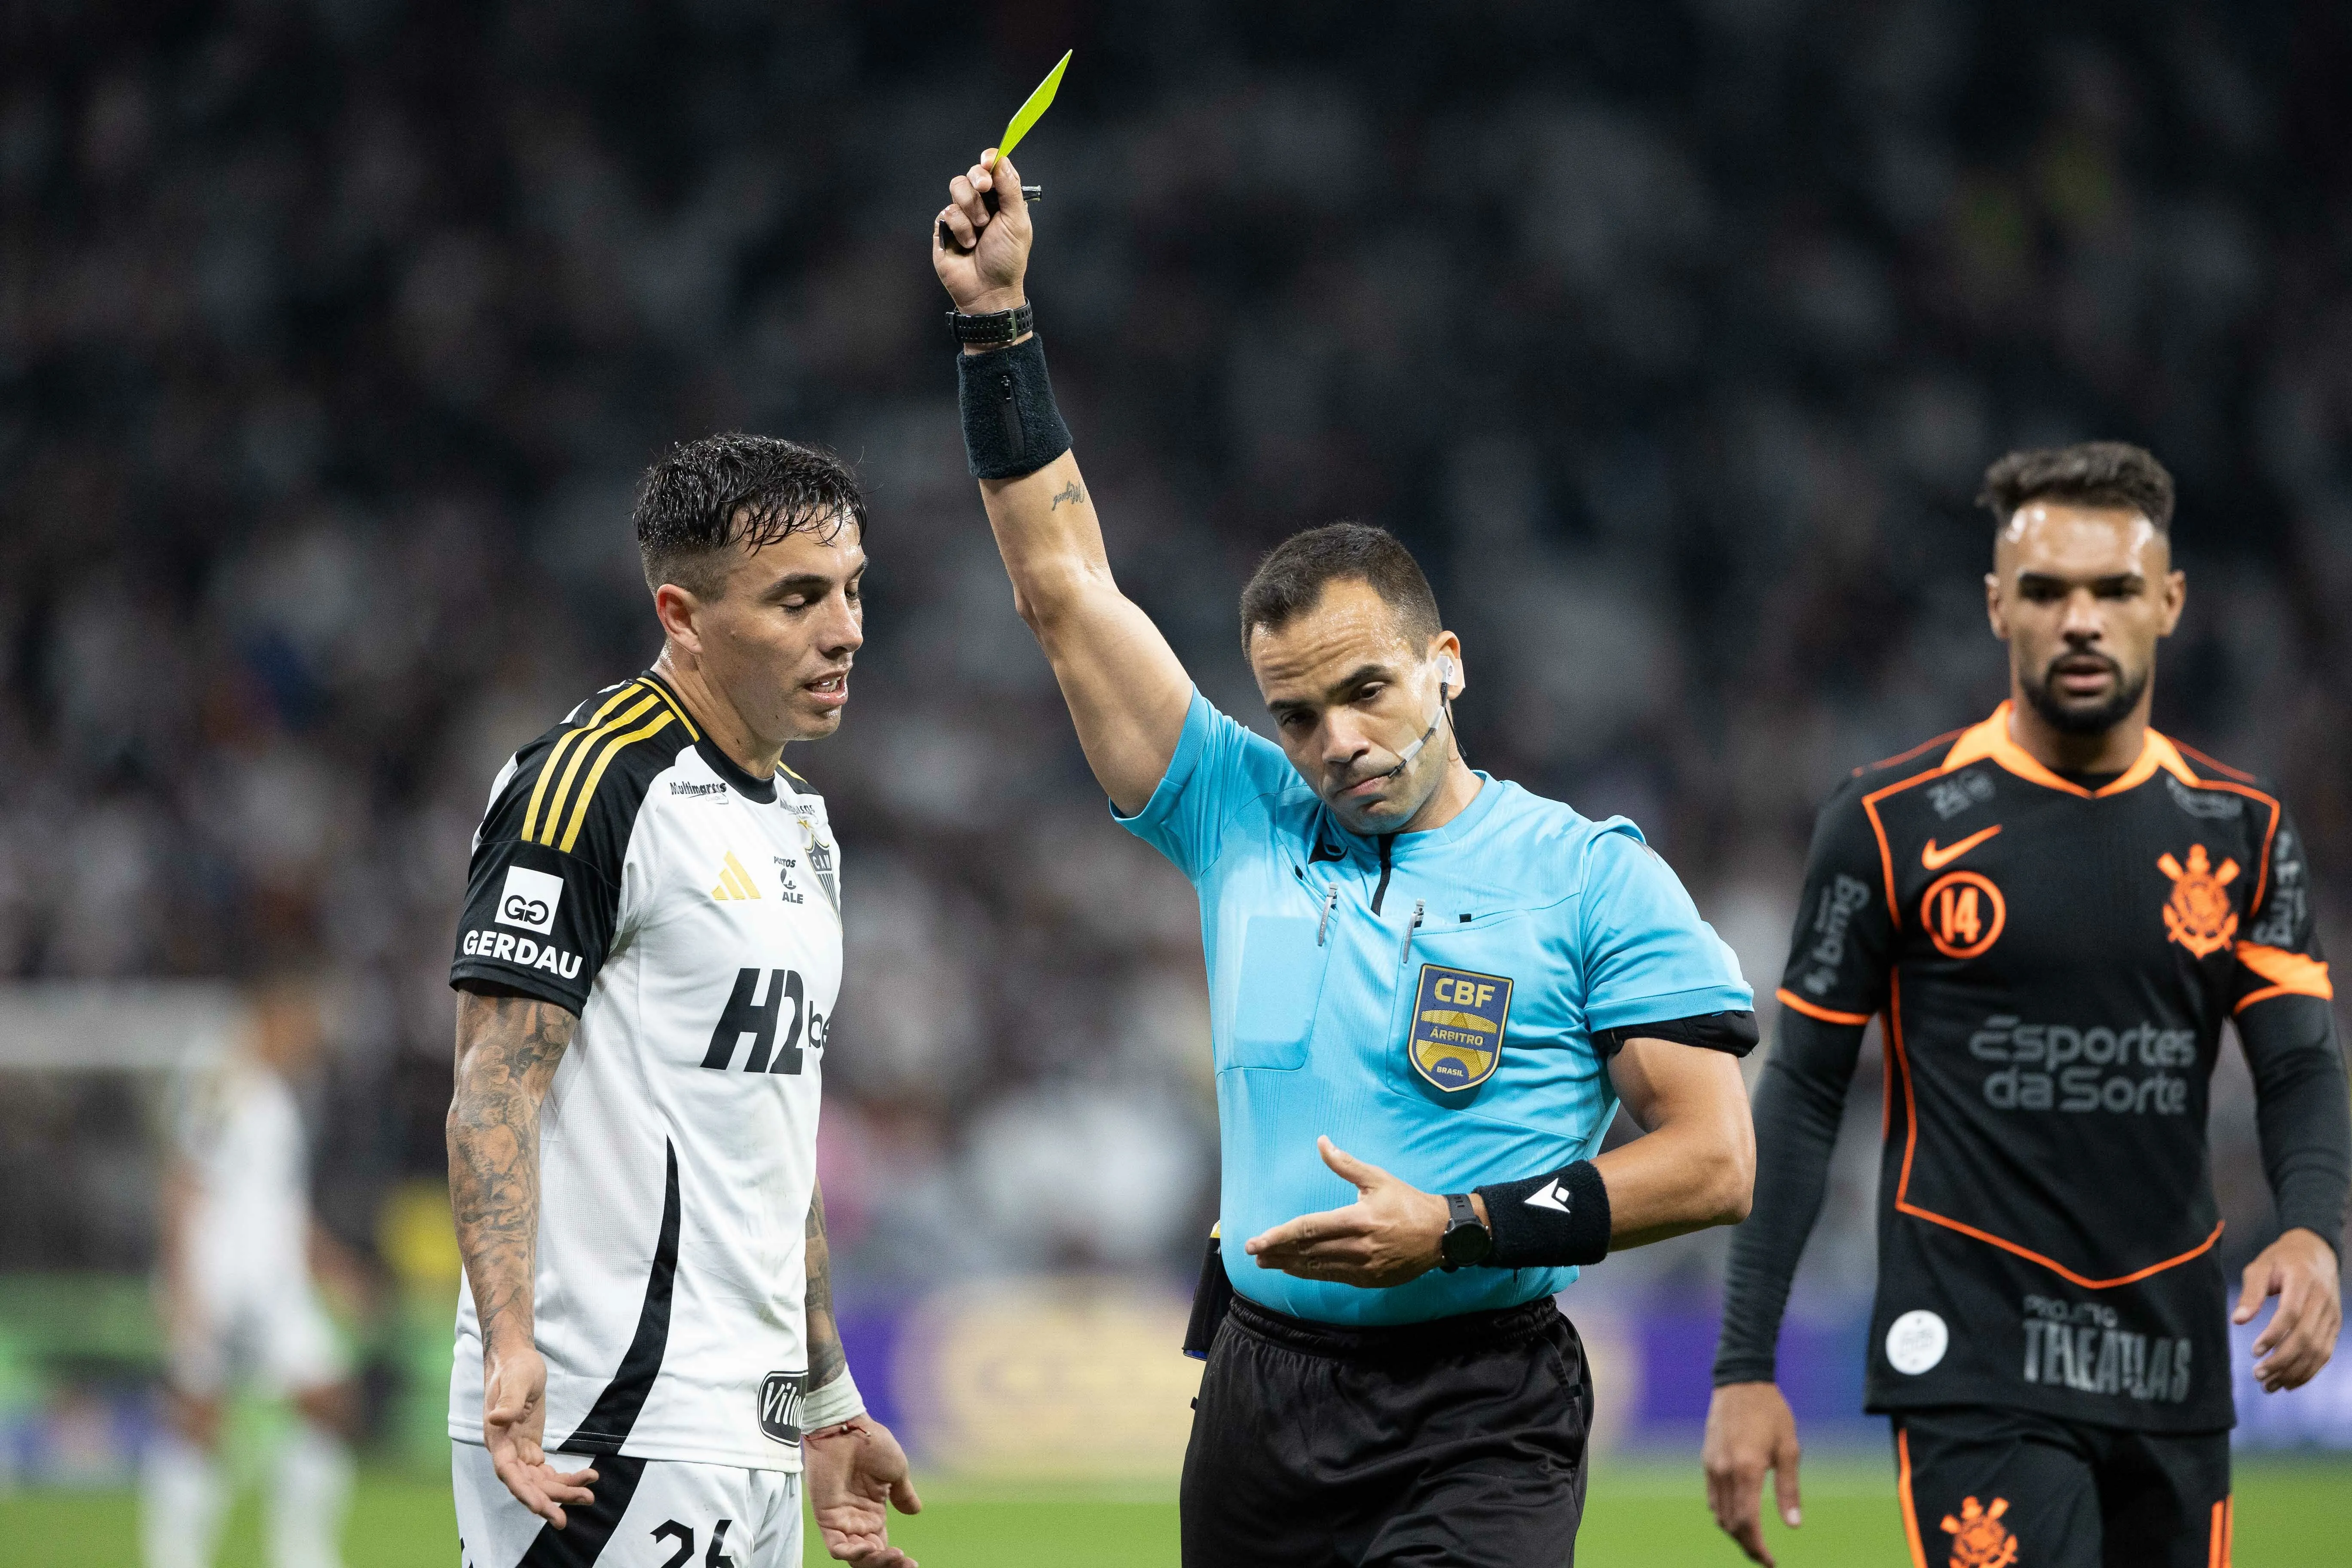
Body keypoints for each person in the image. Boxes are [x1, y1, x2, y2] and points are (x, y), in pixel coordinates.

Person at [932, 153, 1759, 1566]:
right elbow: (1063, 589)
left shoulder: (1592, 877)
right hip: (1259, 1395)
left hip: (1480, 1396)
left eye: (1367, 688)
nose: (1337, 738)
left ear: (1446, 666)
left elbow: (1711, 1158)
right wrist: (997, 321)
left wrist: (1458, 1223)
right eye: (1297, 712)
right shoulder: (1236, 815)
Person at [1703, 442, 2350, 1568]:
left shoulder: (2242, 832)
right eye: (2049, 591)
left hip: (2170, 1354)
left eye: (2114, 590)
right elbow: (1802, 1094)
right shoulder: (1889, 824)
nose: (2082, 620)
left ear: (2171, 603)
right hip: (1975, 1348)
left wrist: (2312, 1231)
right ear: (2000, 606)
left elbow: (2298, 1067)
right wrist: (1744, 1366)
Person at [443, 437, 920, 1568]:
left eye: (852, 591)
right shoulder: (591, 783)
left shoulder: (802, 823)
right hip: (603, 1414)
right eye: (797, 598)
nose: (845, 630)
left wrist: (829, 1401)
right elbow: (493, 1083)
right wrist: (511, 1344)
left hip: (742, 1427)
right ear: (684, 612)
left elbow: (766, 1137)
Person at [144, 971, 368, 1568]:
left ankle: (302, 1552)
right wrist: (182, 1286)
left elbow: (277, 1200)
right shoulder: (219, 1071)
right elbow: (183, 1180)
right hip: (217, 1274)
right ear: (274, 1011)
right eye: (304, 1024)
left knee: (330, 1399)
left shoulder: (279, 1091)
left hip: (276, 1280)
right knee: (198, 1416)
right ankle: (175, 1556)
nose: (310, 1040)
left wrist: (331, 1264)